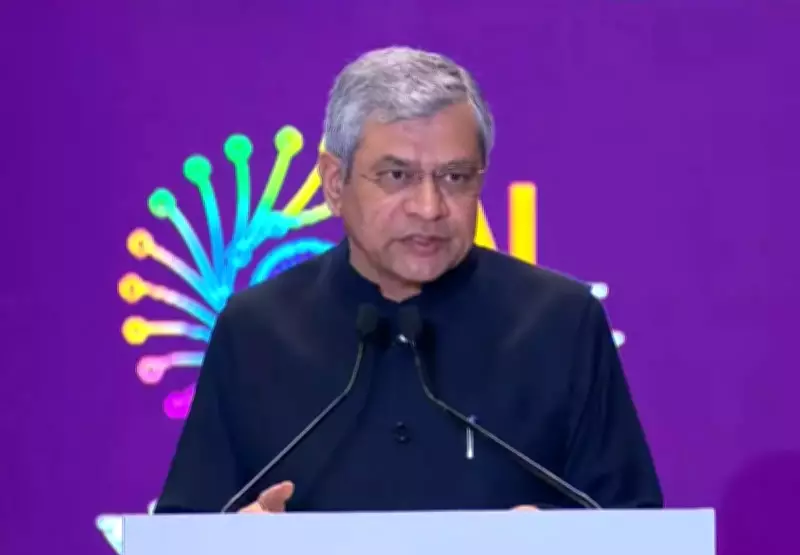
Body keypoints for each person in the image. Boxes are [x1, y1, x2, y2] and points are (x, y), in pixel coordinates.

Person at [154, 46, 663, 515]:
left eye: (455, 177)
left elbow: (636, 534)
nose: (429, 207)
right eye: (397, 176)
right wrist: (232, 544)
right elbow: (182, 545)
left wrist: (559, 539)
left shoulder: (561, 323)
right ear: (334, 183)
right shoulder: (255, 331)